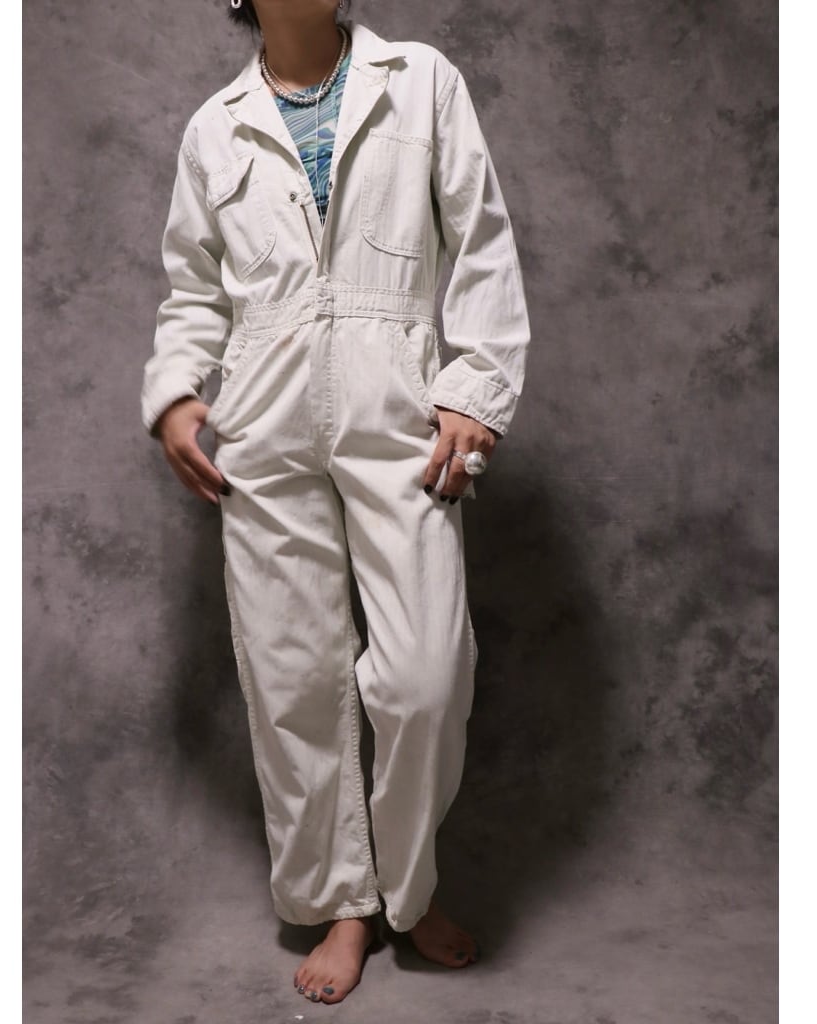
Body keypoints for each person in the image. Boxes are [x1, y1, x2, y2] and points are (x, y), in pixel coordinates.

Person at [140, 0, 530, 1006]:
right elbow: (193, 289)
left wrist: (477, 387)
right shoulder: (213, 127)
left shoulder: (421, 79)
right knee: (293, 677)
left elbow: (481, 241)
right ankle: (341, 904)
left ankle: (409, 887)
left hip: (396, 400)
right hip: (262, 418)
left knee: (426, 674)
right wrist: (176, 392)